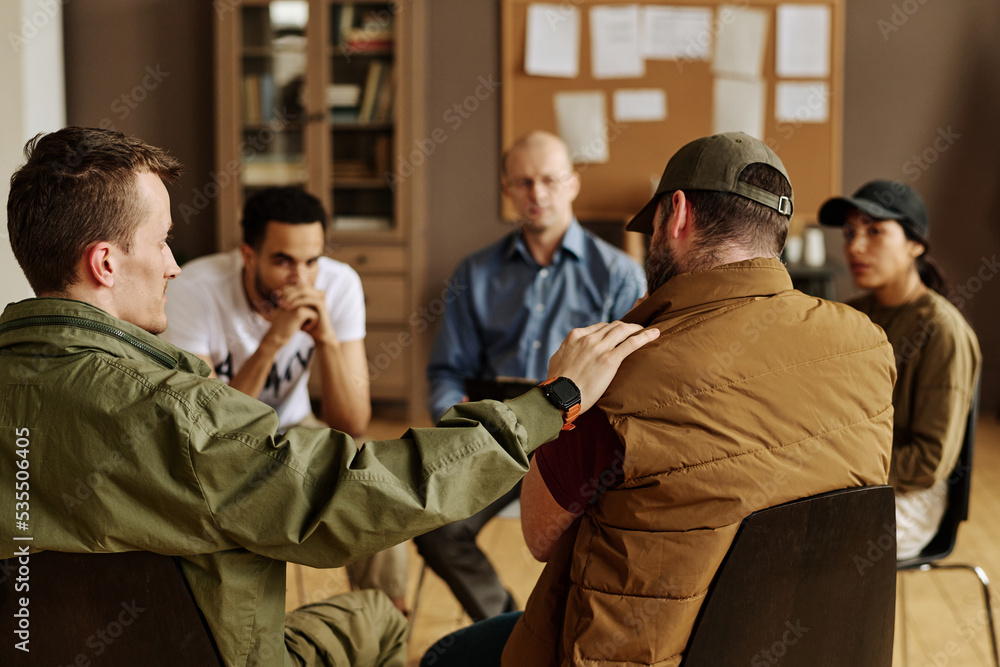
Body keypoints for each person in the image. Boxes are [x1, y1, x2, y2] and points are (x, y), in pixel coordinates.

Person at [0, 126, 659, 667]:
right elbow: (363, 489)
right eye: (162, 240)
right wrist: (553, 401)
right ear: (105, 263)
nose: (172, 262)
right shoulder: (175, 411)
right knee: (377, 617)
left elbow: (350, 423)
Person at [420, 132, 897, 667]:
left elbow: (539, 536)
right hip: (804, 644)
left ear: (678, 215)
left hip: (646, 651)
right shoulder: (869, 344)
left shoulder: (619, 380)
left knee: (444, 656)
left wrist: (560, 394)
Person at [420, 130, 646, 621]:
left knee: (602, 533)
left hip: (578, 439)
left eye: (549, 180)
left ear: (573, 184)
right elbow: (447, 371)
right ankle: (508, 626)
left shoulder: (620, 275)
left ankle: (565, 632)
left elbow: (631, 384)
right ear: (506, 189)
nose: (536, 193)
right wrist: (457, 429)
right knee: (436, 527)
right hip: (496, 437)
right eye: (523, 182)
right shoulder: (474, 274)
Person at [160, 186, 405, 610]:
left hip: (294, 426)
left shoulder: (340, 283)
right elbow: (215, 426)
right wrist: (274, 340)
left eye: (311, 261)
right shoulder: (194, 291)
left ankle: (387, 622)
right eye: (283, 261)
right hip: (218, 447)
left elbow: (352, 423)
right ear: (248, 255)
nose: (301, 279)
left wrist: (327, 340)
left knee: (373, 483)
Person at [818, 180, 981, 559]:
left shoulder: (942, 330)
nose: (855, 247)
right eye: (849, 233)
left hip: (911, 495)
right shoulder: (852, 314)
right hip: (853, 478)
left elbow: (929, 462)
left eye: (875, 231)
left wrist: (841, 466)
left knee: (807, 541)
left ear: (915, 244)